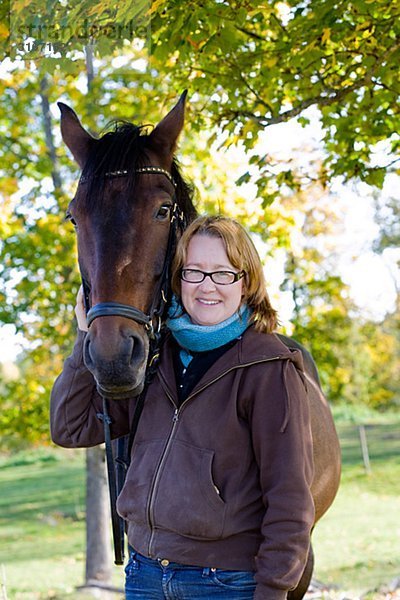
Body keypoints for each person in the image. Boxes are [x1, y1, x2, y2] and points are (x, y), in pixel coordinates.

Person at [50, 215, 315, 600]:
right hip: (144, 575)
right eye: (194, 272)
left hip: (223, 581)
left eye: (223, 273)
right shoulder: (154, 359)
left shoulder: (269, 368)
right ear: (178, 280)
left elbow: (290, 499)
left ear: (246, 283)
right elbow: (69, 427)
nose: (207, 286)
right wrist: (85, 337)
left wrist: (273, 590)